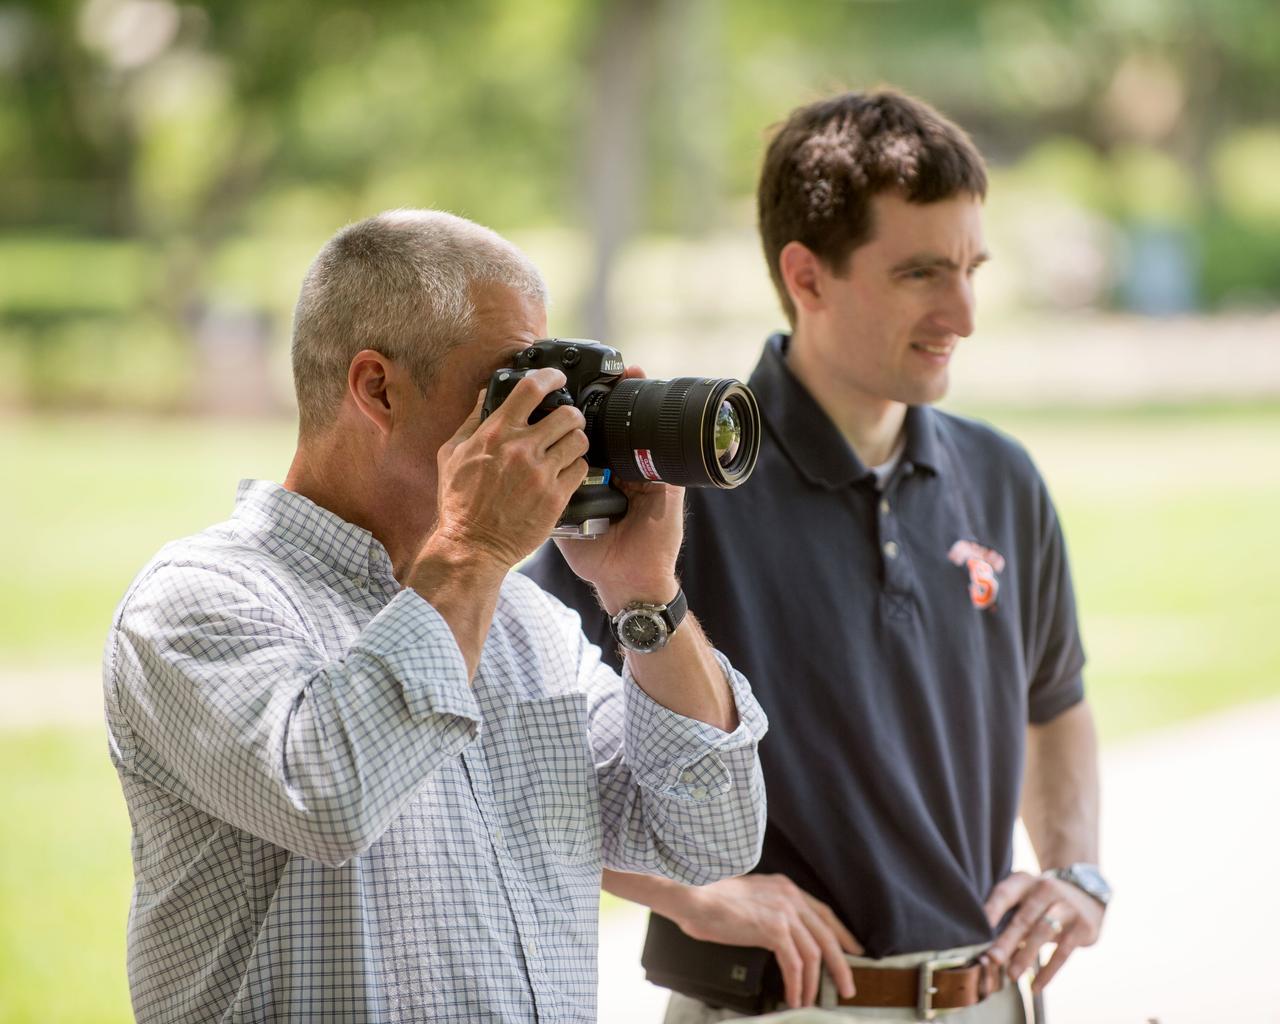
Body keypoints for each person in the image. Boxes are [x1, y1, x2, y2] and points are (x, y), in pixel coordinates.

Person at [524, 90, 1107, 1022]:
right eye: (921, 273)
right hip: (779, 1006)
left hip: (989, 1003)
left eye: (971, 268)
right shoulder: (667, 484)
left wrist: (1076, 867)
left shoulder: (1003, 478)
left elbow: (1057, 702)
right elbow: (507, 737)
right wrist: (688, 891)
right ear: (808, 275)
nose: (962, 311)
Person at [103, 209, 769, 1024]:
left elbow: (712, 837)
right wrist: (476, 548)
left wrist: (646, 599)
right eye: (514, 385)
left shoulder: (526, 622)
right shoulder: (199, 601)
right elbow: (333, 794)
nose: (554, 422)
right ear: (377, 388)